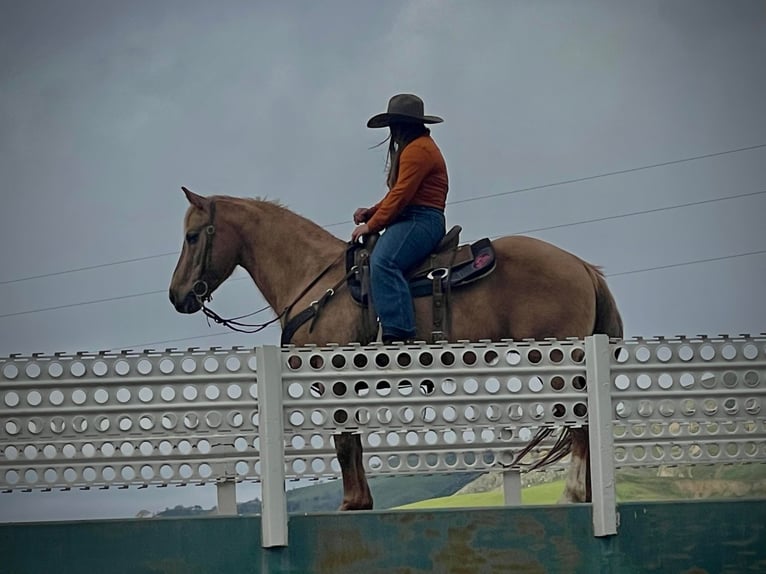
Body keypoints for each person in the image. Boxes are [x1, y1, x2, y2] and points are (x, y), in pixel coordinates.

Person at [351, 93, 448, 344]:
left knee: (383, 262)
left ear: (403, 126)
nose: (393, 131)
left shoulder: (417, 151)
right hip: (416, 216)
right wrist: (372, 211)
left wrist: (371, 225)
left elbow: (402, 196)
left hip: (421, 219)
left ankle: (400, 333)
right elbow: (398, 193)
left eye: (395, 124)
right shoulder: (418, 147)